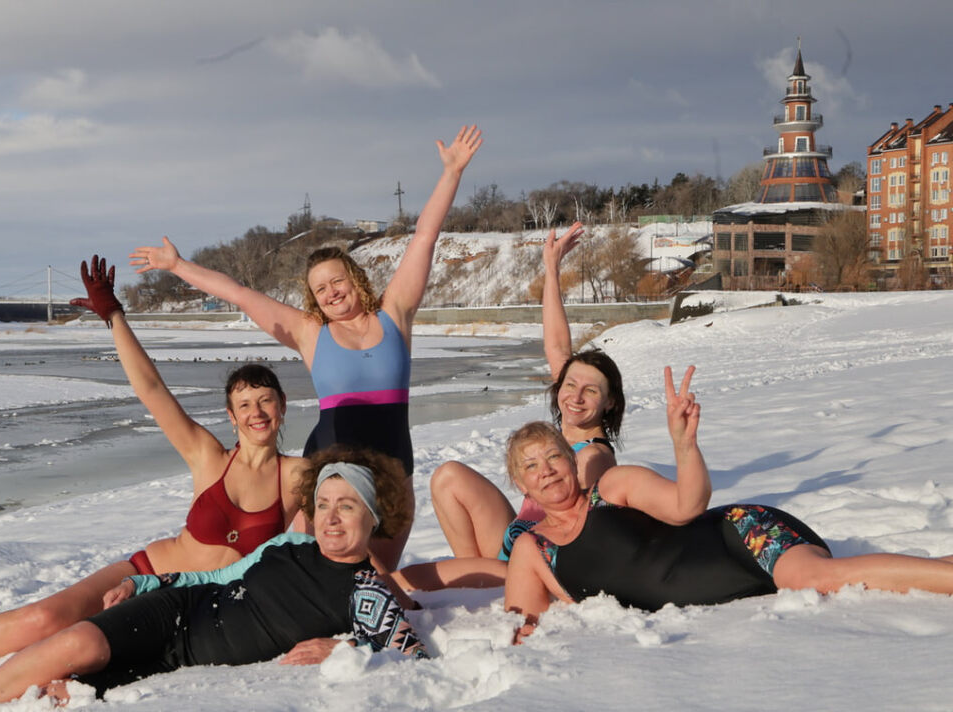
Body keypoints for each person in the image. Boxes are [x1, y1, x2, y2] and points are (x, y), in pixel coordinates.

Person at [0, 257, 306, 684]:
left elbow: (337, 532)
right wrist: (114, 316)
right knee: (44, 618)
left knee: (77, 654)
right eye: (245, 404)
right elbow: (151, 388)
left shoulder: (298, 476)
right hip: (144, 572)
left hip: (198, 604)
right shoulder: (207, 456)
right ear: (231, 416)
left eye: (266, 400)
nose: (257, 412)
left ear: (283, 408)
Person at [129, 126, 483, 571]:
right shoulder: (310, 332)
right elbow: (239, 293)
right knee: (331, 578)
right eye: (319, 289)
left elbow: (424, 238)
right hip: (330, 472)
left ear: (355, 279)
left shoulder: (395, 314)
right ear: (311, 298)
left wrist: (450, 173)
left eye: (337, 281)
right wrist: (179, 266)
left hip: (395, 467)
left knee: (381, 576)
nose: (331, 292)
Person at [0, 447, 427, 712]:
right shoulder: (290, 544)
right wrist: (145, 585)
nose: (332, 518)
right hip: (178, 608)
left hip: (184, 655)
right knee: (75, 640)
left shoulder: (368, 592)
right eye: (325, 504)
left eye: (348, 506)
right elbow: (222, 574)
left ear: (375, 516)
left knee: (74, 683)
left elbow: (410, 658)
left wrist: (341, 646)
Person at [503, 366, 953, 641]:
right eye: (531, 466)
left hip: (742, 537)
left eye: (553, 456)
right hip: (730, 588)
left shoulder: (613, 487)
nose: (546, 470)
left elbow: (687, 506)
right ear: (521, 483)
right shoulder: (534, 550)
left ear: (571, 459)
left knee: (820, 579)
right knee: (824, 579)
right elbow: (522, 624)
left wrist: (684, 447)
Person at [392, 222, 625, 592]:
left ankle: (480, 580)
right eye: (570, 385)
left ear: (610, 402)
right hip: (514, 537)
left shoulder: (594, 456)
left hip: (535, 559)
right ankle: (475, 579)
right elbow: (557, 346)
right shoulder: (565, 431)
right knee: (448, 476)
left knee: (406, 580)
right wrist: (550, 268)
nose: (576, 397)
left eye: (591, 391)